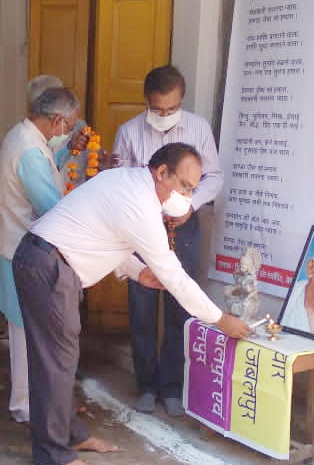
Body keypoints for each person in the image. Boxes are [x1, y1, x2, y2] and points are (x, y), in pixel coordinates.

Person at [12, 142, 249, 465]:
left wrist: (139, 273)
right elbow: (175, 276)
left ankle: (70, 436)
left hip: (48, 262)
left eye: (194, 189)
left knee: (62, 359)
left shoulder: (126, 182)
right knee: (54, 361)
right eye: (184, 185)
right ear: (161, 171)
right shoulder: (140, 203)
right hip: (48, 266)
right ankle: (52, 453)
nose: (187, 195)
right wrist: (220, 319)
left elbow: (105, 236)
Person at [112, 64, 224, 416]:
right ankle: (146, 384)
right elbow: (118, 180)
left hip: (185, 225)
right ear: (147, 102)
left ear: (182, 100)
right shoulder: (129, 132)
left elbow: (215, 176)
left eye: (172, 109)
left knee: (181, 302)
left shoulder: (198, 128)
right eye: (158, 110)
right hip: (142, 227)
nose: (165, 116)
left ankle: (173, 387)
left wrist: (190, 204)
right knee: (142, 304)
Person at [0, 86, 84, 423]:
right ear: (57, 120)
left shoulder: (23, 137)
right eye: (70, 126)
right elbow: (50, 206)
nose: (70, 132)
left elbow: (46, 169)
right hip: (26, 251)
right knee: (26, 333)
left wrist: (64, 156)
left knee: (23, 331)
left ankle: (30, 402)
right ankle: (27, 405)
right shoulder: (30, 151)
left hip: (16, 246)